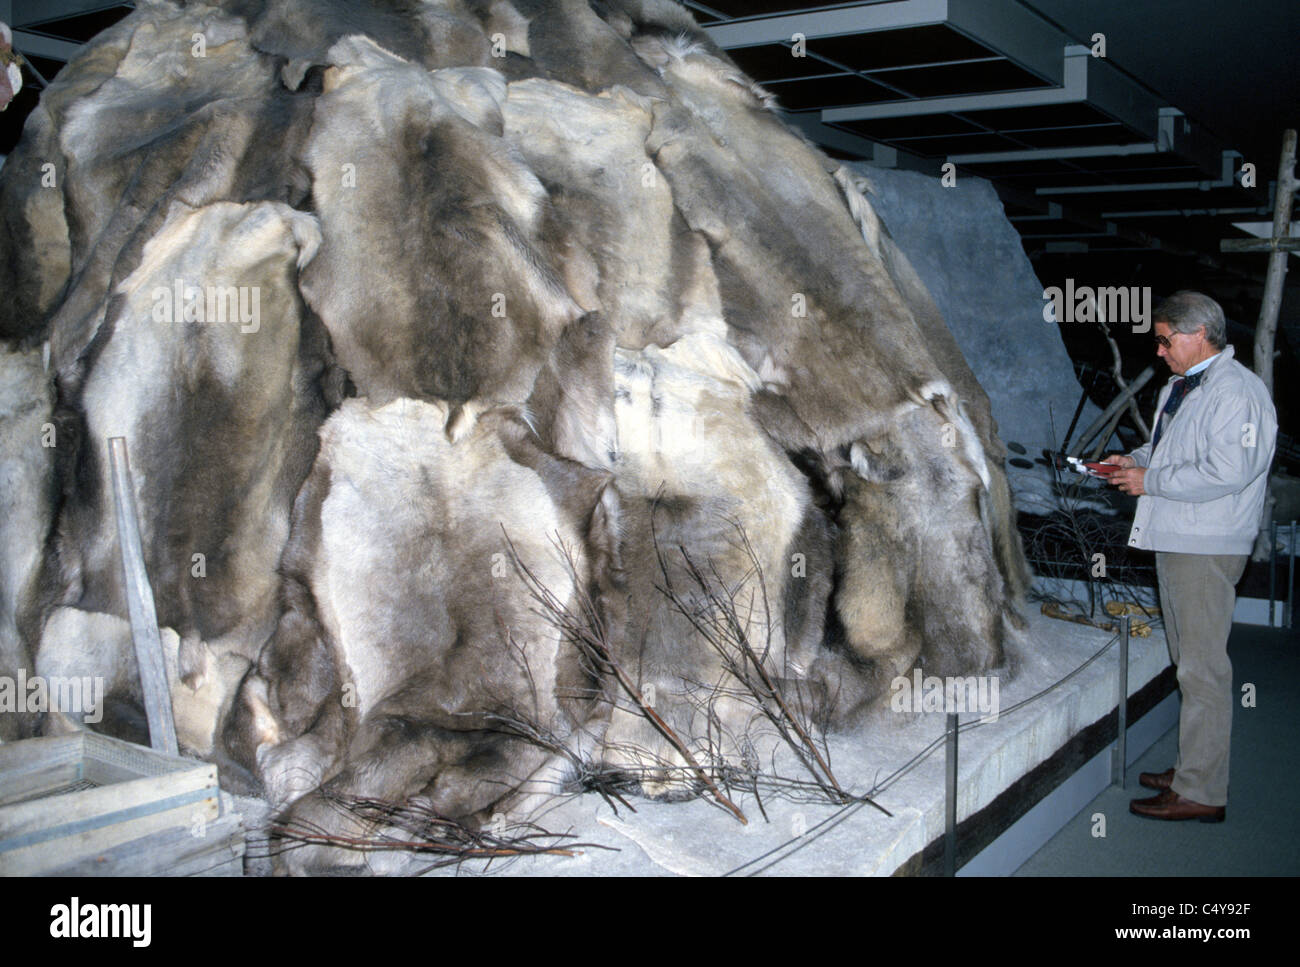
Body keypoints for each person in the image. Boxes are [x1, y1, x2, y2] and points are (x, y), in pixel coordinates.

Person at [1103, 291, 1276, 822]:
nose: (1159, 351)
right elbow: (1174, 451)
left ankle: (1202, 792)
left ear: (1199, 334)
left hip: (1206, 545)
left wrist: (1149, 481)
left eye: (1164, 339)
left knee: (1202, 672)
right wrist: (1130, 459)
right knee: (1189, 666)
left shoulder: (1238, 393)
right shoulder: (1184, 386)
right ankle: (1191, 769)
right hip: (1180, 539)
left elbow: (1229, 471)